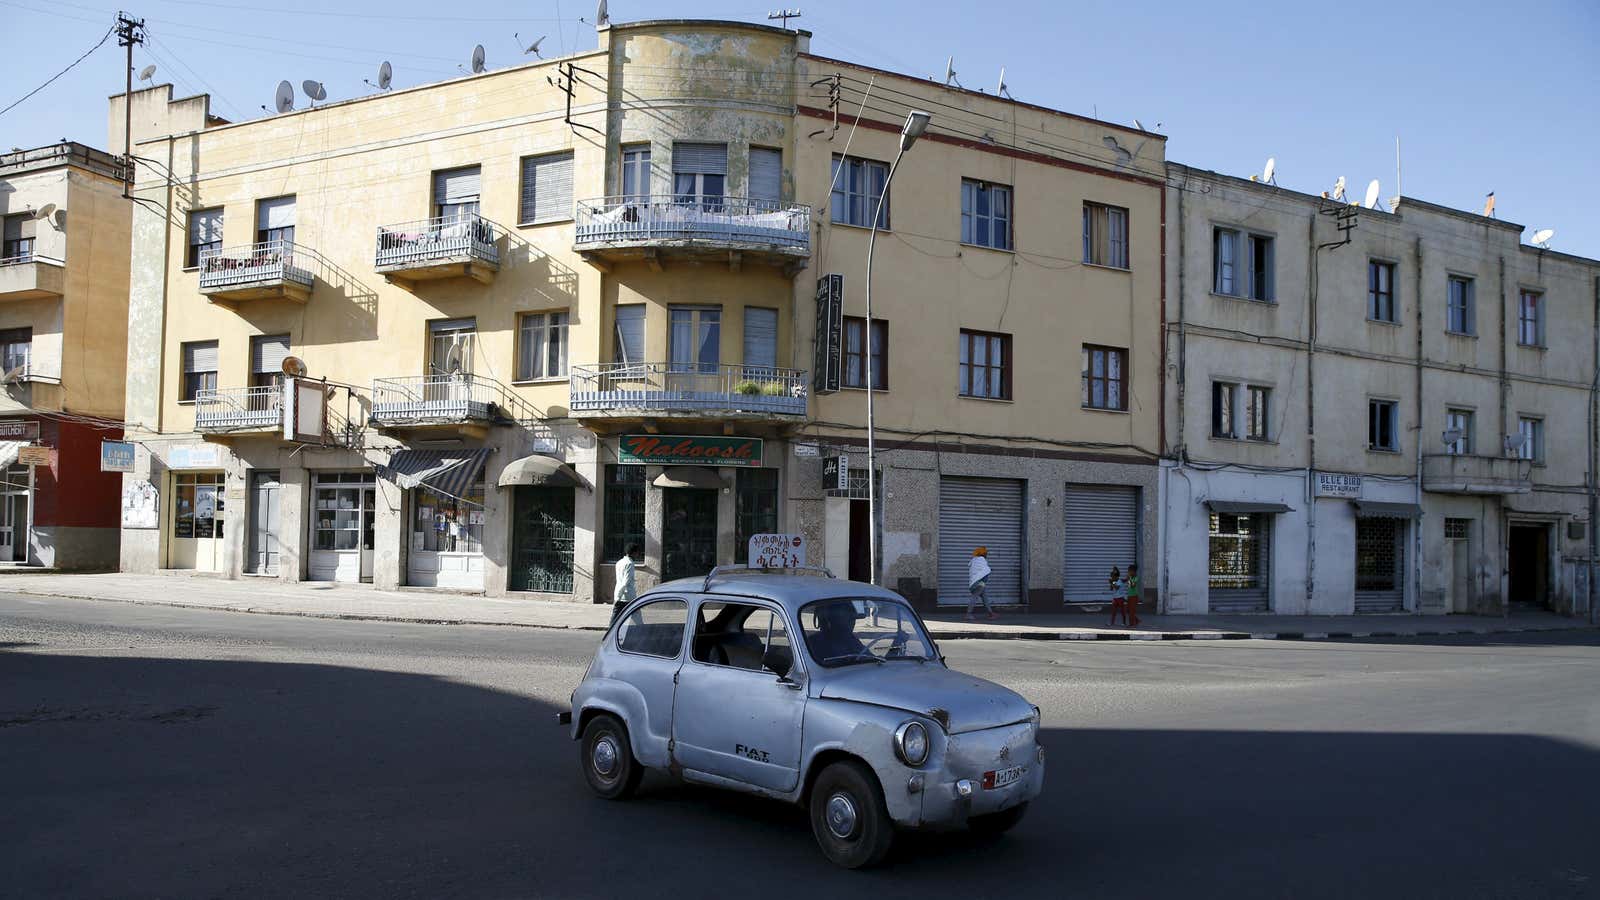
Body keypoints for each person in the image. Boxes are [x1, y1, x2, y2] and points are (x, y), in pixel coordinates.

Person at [610, 544, 638, 626]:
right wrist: (618, 597)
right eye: (637, 553)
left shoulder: (619, 562)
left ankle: (610, 634)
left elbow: (619, 580)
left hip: (619, 595)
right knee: (637, 618)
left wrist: (617, 597)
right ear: (633, 553)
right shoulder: (630, 563)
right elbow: (625, 582)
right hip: (627, 596)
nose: (637, 555)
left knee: (615, 619)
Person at [967, 546, 997, 621]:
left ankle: (991, 613)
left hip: (974, 582)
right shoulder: (982, 559)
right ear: (983, 554)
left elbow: (980, 570)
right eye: (986, 553)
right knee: (974, 597)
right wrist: (989, 570)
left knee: (985, 598)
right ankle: (968, 614)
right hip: (979, 583)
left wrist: (989, 569)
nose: (987, 554)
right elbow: (985, 570)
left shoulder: (974, 560)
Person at [1125, 563, 1142, 627]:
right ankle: (1137, 620)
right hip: (1130, 596)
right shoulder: (1130, 577)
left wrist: (1129, 579)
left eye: (1129, 571)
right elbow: (1125, 581)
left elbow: (1132, 585)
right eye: (1128, 571)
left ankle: (1131, 624)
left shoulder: (1136, 578)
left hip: (1134, 596)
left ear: (1133, 571)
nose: (1128, 572)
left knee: (1131, 611)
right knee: (1128, 610)